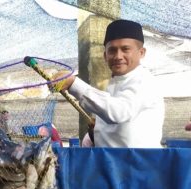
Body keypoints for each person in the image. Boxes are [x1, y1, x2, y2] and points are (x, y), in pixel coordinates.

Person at [54, 19, 165, 148]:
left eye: (125, 49)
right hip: (112, 164)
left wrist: (73, 83)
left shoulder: (145, 81)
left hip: (138, 166)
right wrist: (98, 131)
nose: (118, 56)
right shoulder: (114, 84)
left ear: (141, 53)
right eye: (112, 50)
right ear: (105, 55)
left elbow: (118, 112)